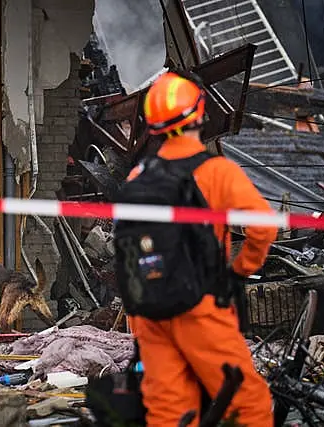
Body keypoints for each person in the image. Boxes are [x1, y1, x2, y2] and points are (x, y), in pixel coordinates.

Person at [126, 71, 277, 426]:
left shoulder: (137, 178)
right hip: (201, 307)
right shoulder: (217, 172)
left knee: (170, 412)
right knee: (248, 405)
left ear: (153, 127)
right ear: (199, 115)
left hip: (149, 312)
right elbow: (263, 226)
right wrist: (240, 269)